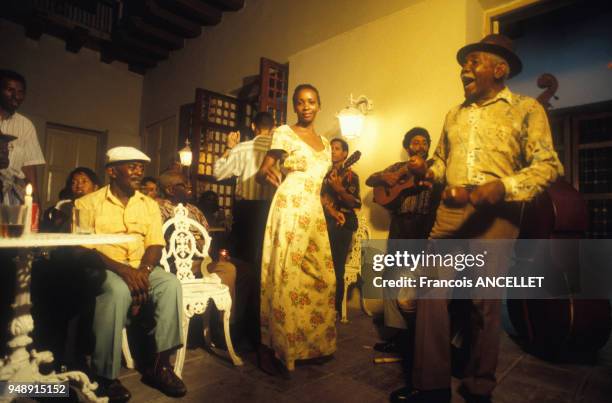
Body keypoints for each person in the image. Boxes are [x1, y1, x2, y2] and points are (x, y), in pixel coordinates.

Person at [390, 34, 563, 403]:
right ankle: (430, 385)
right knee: (430, 293)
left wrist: (502, 187)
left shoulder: (527, 109)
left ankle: (478, 386)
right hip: (450, 211)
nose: (465, 68)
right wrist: (427, 169)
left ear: (500, 69)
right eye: (463, 63)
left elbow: (548, 165)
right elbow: (440, 160)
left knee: (484, 303)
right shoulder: (453, 113)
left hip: (497, 213)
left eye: (475, 61)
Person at [75, 146, 186, 402]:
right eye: (132, 166)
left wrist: (144, 271)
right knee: (115, 291)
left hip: (141, 266)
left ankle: (160, 366)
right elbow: (84, 251)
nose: (138, 171)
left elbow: (155, 244)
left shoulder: (148, 205)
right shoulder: (87, 203)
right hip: (104, 267)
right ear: (112, 171)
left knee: (170, 284)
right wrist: (124, 270)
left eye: (141, 167)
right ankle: (105, 376)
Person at [256, 84, 336, 375]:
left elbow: (321, 180)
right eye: (300, 102)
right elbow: (262, 171)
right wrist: (271, 178)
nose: (306, 107)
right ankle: (274, 346)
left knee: (323, 277)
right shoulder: (284, 133)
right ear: (294, 106)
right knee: (285, 276)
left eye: (311, 101)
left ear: (319, 105)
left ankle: (310, 344)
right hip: (289, 207)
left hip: (314, 211)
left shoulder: (326, 143)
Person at [157, 169, 255, 347]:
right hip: (175, 264)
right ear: (170, 189)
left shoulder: (194, 210)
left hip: (201, 261)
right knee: (230, 271)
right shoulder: (158, 208)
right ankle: (219, 329)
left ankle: (231, 324)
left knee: (241, 270)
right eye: (183, 185)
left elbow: (207, 237)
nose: (189, 188)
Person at [365, 128, 441, 359]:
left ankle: (417, 338)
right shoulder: (396, 168)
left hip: (423, 227)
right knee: (392, 278)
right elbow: (370, 180)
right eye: (415, 142)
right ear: (408, 146)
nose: (420, 145)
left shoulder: (434, 167)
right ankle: (398, 337)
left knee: (416, 283)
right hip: (400, 227)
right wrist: (384, 178)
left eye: (424, 142)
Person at [213, 111, 276, 267]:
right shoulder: (278, 150)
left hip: (246, 209)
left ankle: (242, 289)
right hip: (271, 208)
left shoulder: (242, 148)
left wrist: (229, 147)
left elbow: (218, 173)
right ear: (273, 128)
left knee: (242, 257)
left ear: (253, 126)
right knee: (266, 256)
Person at [321, 138, 361, 313]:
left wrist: (339, 190)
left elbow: (355, 203)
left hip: (343, 224)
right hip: (325, 220)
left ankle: (334, 307)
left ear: (346, 154)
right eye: (331, 148)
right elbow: (320, 197)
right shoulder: (324, 174)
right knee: (322, 264)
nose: (333, 151)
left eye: (337, 148)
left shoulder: (352, 176)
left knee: (336, 265)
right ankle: (320, 304)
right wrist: (329, 209)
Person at [0, 69, 45, 205]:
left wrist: (35, 205)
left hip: (7, 196)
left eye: (20, 92)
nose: (16, 96)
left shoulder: (26, 125)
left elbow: (29, 168)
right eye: (10, 90)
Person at [41, 167, 101, 233]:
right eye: (74, 183)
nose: (79, 186)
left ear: (95, 187)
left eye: (84, 181)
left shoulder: (101, 206)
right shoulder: (65, 206)